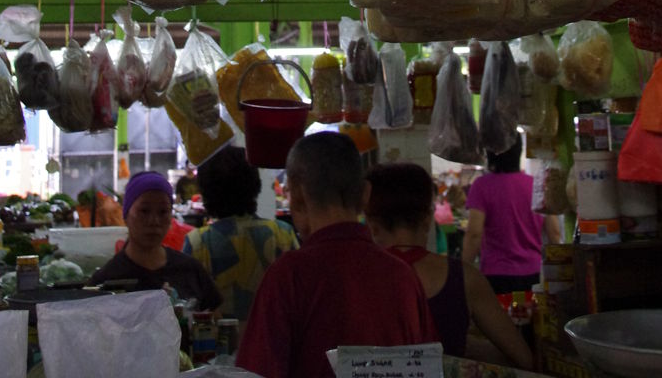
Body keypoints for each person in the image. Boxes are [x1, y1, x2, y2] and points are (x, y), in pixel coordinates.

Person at [236, 132, 438, 378]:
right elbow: (428, 368)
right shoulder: (403, 276)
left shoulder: (288, 276)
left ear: (297, 197)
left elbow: (256, 372)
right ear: (366, 195)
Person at [364, 162, 533, 370]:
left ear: (372, 225)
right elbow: (523, 359)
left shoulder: (354, 279)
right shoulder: (464, 278)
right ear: (428, 219)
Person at [183, 145, 298, 328]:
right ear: (255, 185)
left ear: (206, 191)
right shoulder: (283, 233)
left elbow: (188, 307)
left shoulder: (197, 242)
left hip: (218, 343)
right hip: (274, 340)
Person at [90, 170, 222, 308]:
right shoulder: (106, 281)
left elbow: (216, 317)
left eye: (163, 212)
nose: (154, 221)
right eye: (144, 211)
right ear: (126, 215)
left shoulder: (191, 270)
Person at [462, 133, 561, 293]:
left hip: (496, 275)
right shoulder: (536, 184)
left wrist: (463, 271)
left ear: (490, 152)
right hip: (534, 274)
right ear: (519, 151)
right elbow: (554, 232)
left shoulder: (481, 186)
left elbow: (474, 234)